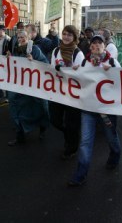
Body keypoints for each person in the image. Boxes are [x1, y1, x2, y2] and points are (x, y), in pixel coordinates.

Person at [68, 34, 121, 186]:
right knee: (85, 142)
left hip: (107, 110)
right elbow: (79, 82)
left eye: (100, 43)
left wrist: (112, 71)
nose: (96, 46)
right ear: (90, 47)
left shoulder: (112, 61)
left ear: (104, 46)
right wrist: (75, 71)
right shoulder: (85, 62)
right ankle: (81, 174)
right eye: (94, 43)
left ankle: (115, 154)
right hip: (89, 110)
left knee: (111, 137)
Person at [7, 30, 50, 146]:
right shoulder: (15, 50)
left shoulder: (34, 49)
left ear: (28, 38)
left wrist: (34, 61)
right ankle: (20, 135)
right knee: (16, 108)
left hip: (35, 86)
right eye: (18, 37)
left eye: (23, 37)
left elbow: (45, 63)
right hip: (21, 86)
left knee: (40, 108)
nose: (20, 39)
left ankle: (42, 128)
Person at [49, 25, 85, 160]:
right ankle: (69, 136)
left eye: (69, 35)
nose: (66, 37)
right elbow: (51, 69)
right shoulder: (55, 51)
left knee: (72, 123)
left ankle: (72, 148)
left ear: (74, 37)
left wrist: (71, 70)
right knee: (55, 120)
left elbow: (81, 74)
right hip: (58, 91)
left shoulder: (78, 53)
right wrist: (56, 68)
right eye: (64, 34)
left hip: (73, 93)